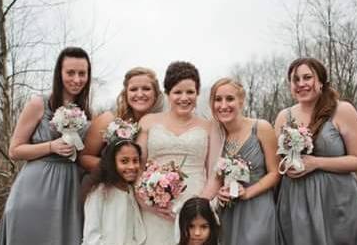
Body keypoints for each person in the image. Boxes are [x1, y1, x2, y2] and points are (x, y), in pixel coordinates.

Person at [275, 57, 357, 245]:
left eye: (307, 77)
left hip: (337, 201)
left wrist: (315, 163)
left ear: (321, 81)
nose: (301, 84)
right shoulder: (284, 116)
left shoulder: (342, 110)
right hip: (295, 202)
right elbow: (276, 161)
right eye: (295, 79)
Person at [0, 47, 92, 245]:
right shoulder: (38, 104)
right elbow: (14, 150)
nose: (76, 79)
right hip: (34, 191)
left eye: (82, 73)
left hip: (69, 193)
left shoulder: (88, 112)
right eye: (70, 72)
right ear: (59, 73)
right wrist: (51, 146)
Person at [137, 61, 215, 245]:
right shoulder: (148, 122)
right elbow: (138, 167)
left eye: (190, 92)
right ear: (167, 94)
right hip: (155, 205)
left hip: (195, 199)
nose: (184, 97)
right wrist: (147, 203)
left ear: (197, 93)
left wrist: (198, 208)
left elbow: (214, 172)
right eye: (177, 92)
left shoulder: (209, 126)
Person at [204, 78, 279, 245]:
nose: (223, 105)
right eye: (218, 99)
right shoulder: (216, 135)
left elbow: (275, 173)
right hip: (228, 211)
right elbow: (214, 177)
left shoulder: (261, 128)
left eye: (229, 98)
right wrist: (218, 195)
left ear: (241, 100)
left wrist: (247, 193)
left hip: (258, 205)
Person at [79, 67, 163, 172]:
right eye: (133, 89)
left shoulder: (162, 125)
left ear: (155, 95)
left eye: (146, 89)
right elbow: (84, 157)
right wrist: (116, 168)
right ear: (126, 94)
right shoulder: (109, 119)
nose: (140, 94)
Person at [82, 139, 146, 245]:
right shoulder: (99, 192)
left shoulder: (130, 191)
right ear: (111, 163)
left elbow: (137, 231)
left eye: (135, 160)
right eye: (124, 161)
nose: (131, 166)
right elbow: (92, 235)